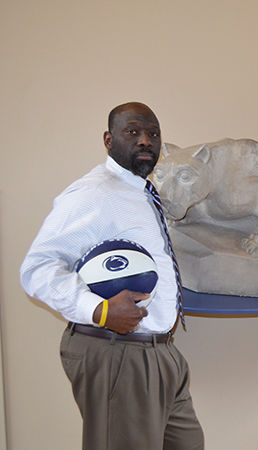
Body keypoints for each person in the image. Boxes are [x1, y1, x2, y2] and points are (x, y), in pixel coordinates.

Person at [20, 102, 204, 450]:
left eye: (153, 134)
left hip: (160, 351)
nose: (146, 141)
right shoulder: (95, 193)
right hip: (118, 351)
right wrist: (99, 310)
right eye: (133, 132)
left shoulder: (142, 193)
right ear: (108, 140)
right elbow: (37, 268)